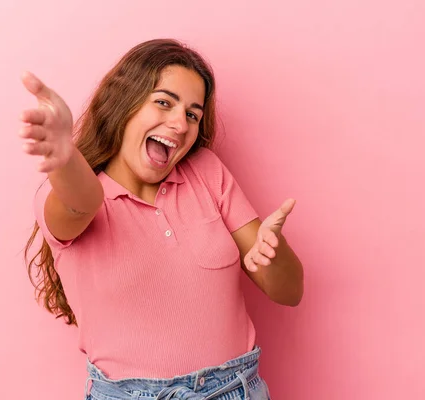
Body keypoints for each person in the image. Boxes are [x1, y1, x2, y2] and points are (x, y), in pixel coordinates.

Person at [19, 38, 304, 400]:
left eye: (192, 114)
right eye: (164, 103)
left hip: (236, 388)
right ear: (125, 105)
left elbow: (291, 292)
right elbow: (82, 201)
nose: (180, 123)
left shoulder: (205, 171)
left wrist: (272, 254)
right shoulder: (68, 195)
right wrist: (64, 154)